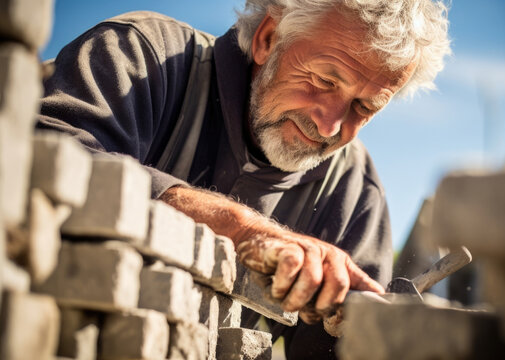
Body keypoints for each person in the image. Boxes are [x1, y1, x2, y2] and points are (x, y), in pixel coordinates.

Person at [37, 0, 450, 358]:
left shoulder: (354, 190)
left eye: (364, 107)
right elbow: (44, 162)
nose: (330, 127)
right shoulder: (139, 57)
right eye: (324, 81)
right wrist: (241, 230)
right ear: (267, 38)